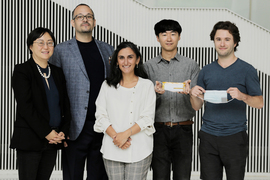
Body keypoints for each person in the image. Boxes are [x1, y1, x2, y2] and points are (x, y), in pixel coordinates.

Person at [190, 21, 264, 180]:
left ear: (235, 42)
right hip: (208, 137)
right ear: (214, 41)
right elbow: (196, 107)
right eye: (218, 39)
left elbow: (260, 103)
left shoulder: (247, 70)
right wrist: (192, 94)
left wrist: (243, 96)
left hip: (235, 137)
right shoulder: (206, 70)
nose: (222, 43)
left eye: (227, 39)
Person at [49, 3, 114, 180]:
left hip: (102, 125)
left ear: (94, 22)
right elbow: (55, 91)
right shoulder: (61, 51)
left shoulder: (108, 50)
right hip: (74, 127)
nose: (84, 19)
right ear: (72, 22)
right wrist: (60, 126)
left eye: (88, 16)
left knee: (99, 176)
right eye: (80, 16)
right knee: (72, 176)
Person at [10, 27, 71, 180]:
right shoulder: (22, 71)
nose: (46, 47)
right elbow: (26, 107)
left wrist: (63, 131)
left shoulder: (57, 72)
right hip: (30, 139)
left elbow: (65, 105)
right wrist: (47, 132)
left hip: (53, 140)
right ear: (30, 46)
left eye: (50, 43)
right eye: (41, 42)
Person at [144, 19, 200, 180]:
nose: (169, 38)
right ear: (157, 38)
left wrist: (191, 93)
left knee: (183, 176)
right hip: (157, 129)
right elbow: (142, 101)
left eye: (173, 34)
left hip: (183, 128)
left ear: (179, 37)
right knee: (160, 176)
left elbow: (197, 102)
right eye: (164, 34)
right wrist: (155, 94)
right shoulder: (148, 67)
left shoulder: (191, 65)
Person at [94, 41, 156, 180]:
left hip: (140, 148)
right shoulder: (107, 85)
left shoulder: (146, 85)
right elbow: (100, 115)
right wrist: (117, 137)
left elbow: (147, 118)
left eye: (130, 57)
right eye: (121, 57)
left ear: (137, 60)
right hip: (112, 147)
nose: (126, 61)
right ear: (116, 61)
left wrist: (125, 135)